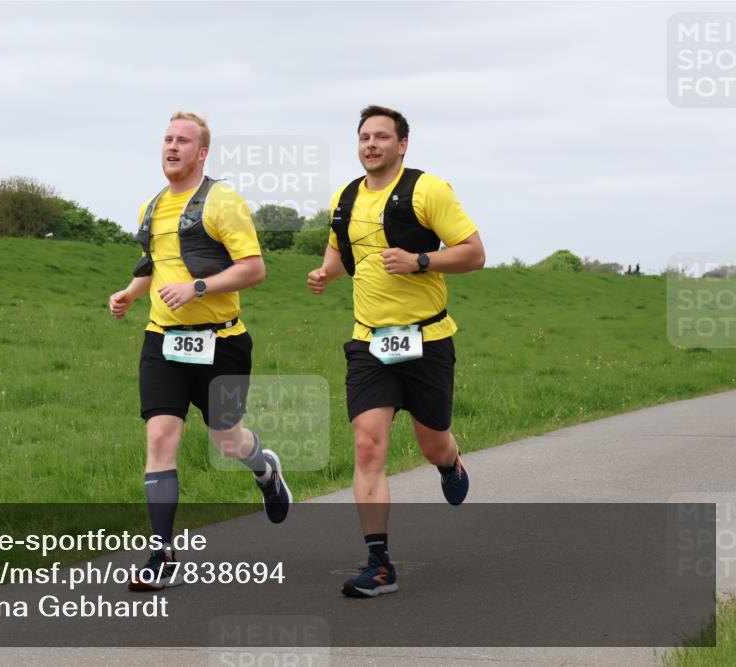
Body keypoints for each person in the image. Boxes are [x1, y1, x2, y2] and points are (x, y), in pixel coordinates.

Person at [307, 105, 485, 598]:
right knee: (367, 446)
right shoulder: (344, 199)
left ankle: (451, 463)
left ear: (402, 144)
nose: (371, 144)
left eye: (382, 137)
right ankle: (379, 564)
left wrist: (421, 259)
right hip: (369, 343)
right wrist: (326, 273)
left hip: (427, 341)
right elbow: (342, 253)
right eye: (364, 137)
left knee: (432, 443)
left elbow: (474, 252)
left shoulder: (428, 190)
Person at [109, 111, 291, 591]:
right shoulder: (153, 207)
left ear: (202, 152)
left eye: (183, 140)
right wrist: (131, 291)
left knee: (227, 440)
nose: (172, 147)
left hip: (222, 343)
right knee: (160, 438)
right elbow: (152, 264)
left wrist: (199, 287)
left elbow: (254, 269)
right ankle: (163, 553)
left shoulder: (222, 202)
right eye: (167, 139)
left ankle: (265, 468)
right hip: (163, 341)